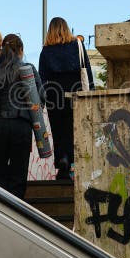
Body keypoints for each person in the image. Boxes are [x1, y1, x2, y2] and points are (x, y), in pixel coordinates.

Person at [0, 34, 44, 199]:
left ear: (2, 50)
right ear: (21, 50)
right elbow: (41, 97)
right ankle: (15, 214)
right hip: (21, 125)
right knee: (18, 174)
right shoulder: (28, 69)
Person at [39, 17, 94, 180]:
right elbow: (87, 69)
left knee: (58, 130)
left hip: (53, 93)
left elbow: (42, 77)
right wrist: (91, 90)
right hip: (75, 91)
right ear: (66, 28)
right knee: (74, 128)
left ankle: (62, 160)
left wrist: (42, 100)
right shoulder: (77, 45)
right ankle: (72, 162)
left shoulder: (46, 51)